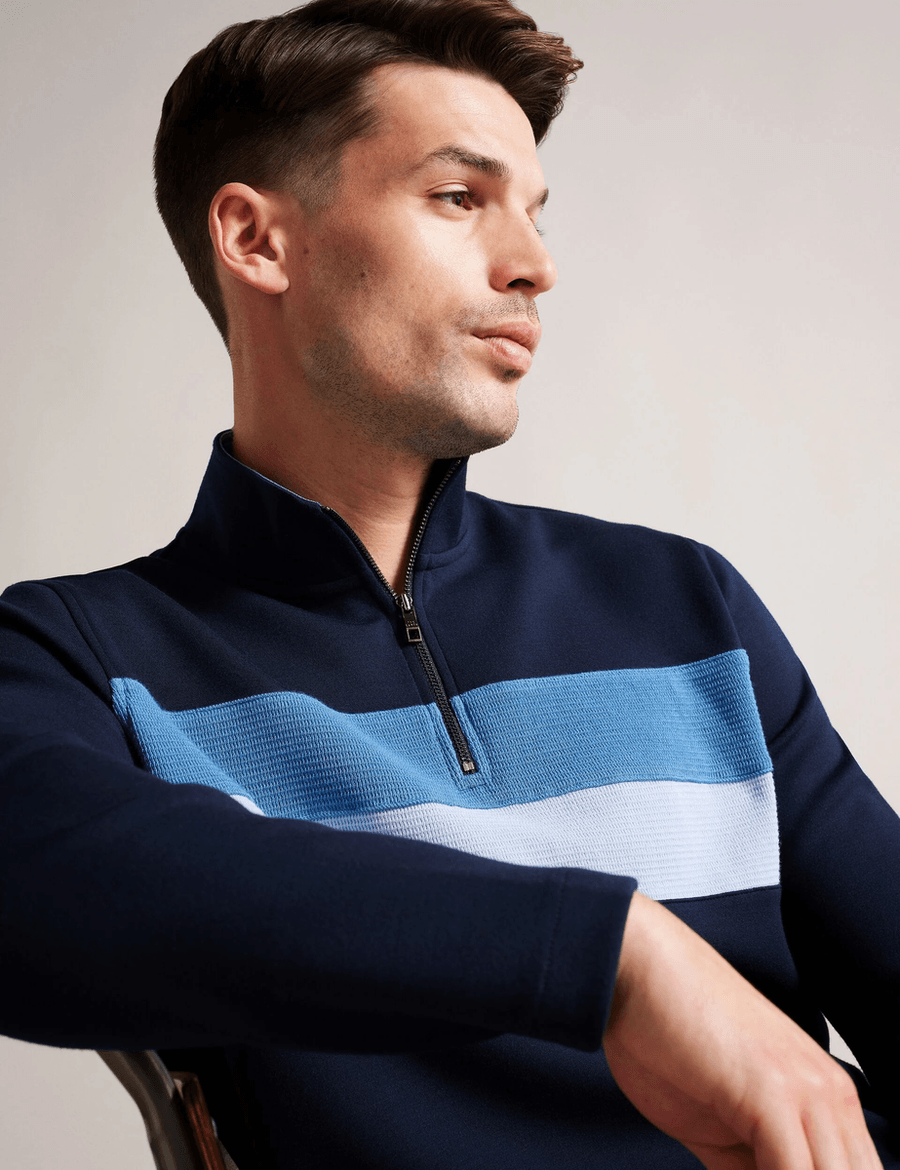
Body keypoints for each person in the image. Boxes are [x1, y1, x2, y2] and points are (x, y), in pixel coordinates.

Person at [1, 0, 897, 1166]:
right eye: (459, 197)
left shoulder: (686, 607)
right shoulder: (82, 656)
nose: (534, 265)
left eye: (534, 211)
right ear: (257, 241)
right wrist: (611, 955)